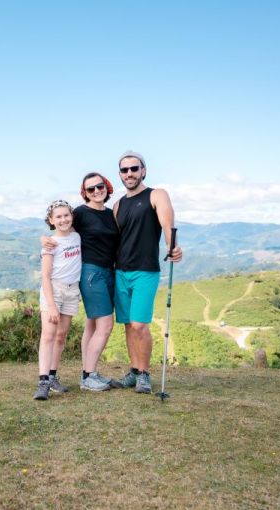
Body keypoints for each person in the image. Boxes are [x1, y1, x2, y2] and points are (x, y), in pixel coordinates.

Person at [110, 150, 183, 394]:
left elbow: (167, 224)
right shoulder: (118, 205)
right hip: (120, 271)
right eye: (124, 170)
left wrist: (173, 246)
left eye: (134, 168)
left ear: (143, 171)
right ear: (120, 174)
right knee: (129, 326)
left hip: (145, 271)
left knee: (140, 325)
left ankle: (144, 374)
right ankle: (133, 371)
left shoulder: (156, 195)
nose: (129, 173)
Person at [72, 173, 120, 391]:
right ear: (85, 193)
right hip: (91, 272)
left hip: (109, 272)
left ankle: (88, 372)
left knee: (92, 324)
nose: (96, 191)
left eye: (99, 186)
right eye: (90, 189)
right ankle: (88, 376)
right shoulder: (80, 213)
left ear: (106, 187)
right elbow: (63, 231)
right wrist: (46, 241)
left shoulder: (111, 214)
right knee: (105, 324)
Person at [33, 200, 82, 401]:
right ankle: (43, 382)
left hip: (72, 290)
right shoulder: (51, 244)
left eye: (66, 215)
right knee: (48, 335)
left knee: (61, 336)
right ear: (51, 221)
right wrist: (51, 305)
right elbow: (45, 276)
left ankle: (53, 376)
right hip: (54, 290)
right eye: (58, 217)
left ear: (71, 216)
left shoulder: (77, 236)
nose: (63, 219)